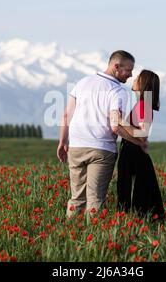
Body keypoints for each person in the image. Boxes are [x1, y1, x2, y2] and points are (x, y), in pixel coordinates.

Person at [57, 50, 147, 218]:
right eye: (128, 70)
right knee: (95, 200)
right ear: (116, 66)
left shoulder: (82, 82)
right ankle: (93, 241)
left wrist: (62, 141)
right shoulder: (117, 91)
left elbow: (66, 115)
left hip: (76, 148)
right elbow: (115, 126)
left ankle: (69, 237)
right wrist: (138, 141)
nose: (130, 75)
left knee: (76, 198)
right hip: (101, 150)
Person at [116, 69, 165, 220]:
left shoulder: (145, 104)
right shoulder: (142, 104)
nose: (134, 79)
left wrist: (120, 121)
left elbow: (143, 133)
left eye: (137, 77)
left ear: (144, 83)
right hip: (133, 151)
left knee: (129, 191)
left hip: (133, 154)